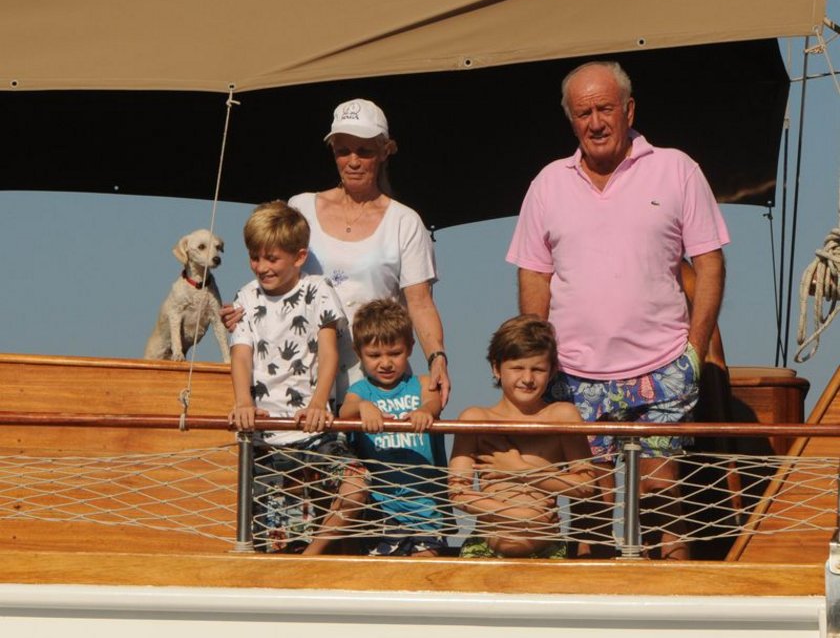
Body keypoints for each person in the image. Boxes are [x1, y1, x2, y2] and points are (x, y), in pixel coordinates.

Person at [505, 60, 730, 559]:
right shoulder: (547, 183)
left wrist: (694, 350)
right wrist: (537, 359)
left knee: (663, 496)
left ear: (629, 110)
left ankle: (673, 602)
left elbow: (710, 263)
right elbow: (534, 275)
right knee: (590, 503)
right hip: (574, 372)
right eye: (583, 114)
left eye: (604, 109)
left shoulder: (677, 169)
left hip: (663, 366)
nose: (595, 123)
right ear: (571, 122)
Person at [223, 98, 450, 406]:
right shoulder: (300, 207)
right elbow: (274, 276)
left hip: (377, 382)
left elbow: (420, 303)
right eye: (343, 150)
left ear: (385, 151)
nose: (353, 161)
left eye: (364, 151)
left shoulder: (406, 222)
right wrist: (245, 311)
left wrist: (437, 358)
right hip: (301, 382)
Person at [228, 200, 366, 555]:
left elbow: (329, 351)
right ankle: (292, 563)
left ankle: (311, 556)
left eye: (272, 258)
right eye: (255, 258)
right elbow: (241, 353)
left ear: (299, 257)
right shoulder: (246, 297)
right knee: (275, 534)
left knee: (357, 485)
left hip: (314, 432)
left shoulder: (317, 290)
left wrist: (319, 402)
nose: (262, 267)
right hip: (267, 438)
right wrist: (243, 401)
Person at [448, 315, 595, 559]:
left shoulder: (561, 415)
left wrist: (520, 469)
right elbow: (457, 491)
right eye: (517, 368)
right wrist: (518, 515)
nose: (527, 379)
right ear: (496, 368)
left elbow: (586, 486)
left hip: (547, 551)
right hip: (484, 549)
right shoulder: (476, 418)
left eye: (538, 369)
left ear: (552, 371)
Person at [339, 299, 448, 557]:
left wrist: (425, 411)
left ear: (410, 347)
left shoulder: (421, 384)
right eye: (374, 355)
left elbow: (433, 401)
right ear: (358, 352)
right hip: (381, 512)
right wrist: (363, 407)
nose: (385, 363)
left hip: (424, 508)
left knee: (427, 570)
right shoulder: (359, 391)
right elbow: (345, 411)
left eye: (394, 353)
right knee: (383, 574)